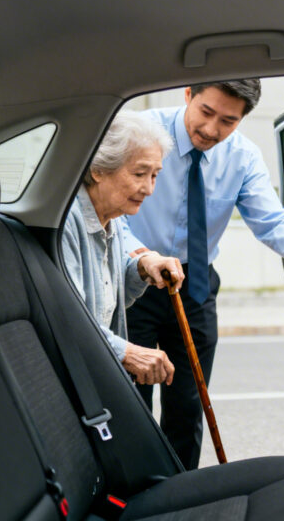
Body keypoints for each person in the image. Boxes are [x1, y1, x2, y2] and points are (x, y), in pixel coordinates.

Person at [122, 80, 284, 469]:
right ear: (187, 94)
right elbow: (107, 210)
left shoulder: (242, 157)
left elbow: (272, 221)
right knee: (129, 401)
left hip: (196, 285)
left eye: (228, 121)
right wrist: (140, 257)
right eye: (206, 112)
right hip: (133, 280)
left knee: (188, 403)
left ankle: (183, 494)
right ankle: (131, 494)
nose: (212, 130)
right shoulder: (141, 132)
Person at [62, 111, 186, 386]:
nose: (149, 189)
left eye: (154, 175)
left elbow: (110, 293)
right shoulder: (69, 221)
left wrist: (142, 267)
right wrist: (126, 352)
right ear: (98, 170)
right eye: (140, 173)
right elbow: (70, 318)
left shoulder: (111, 220)